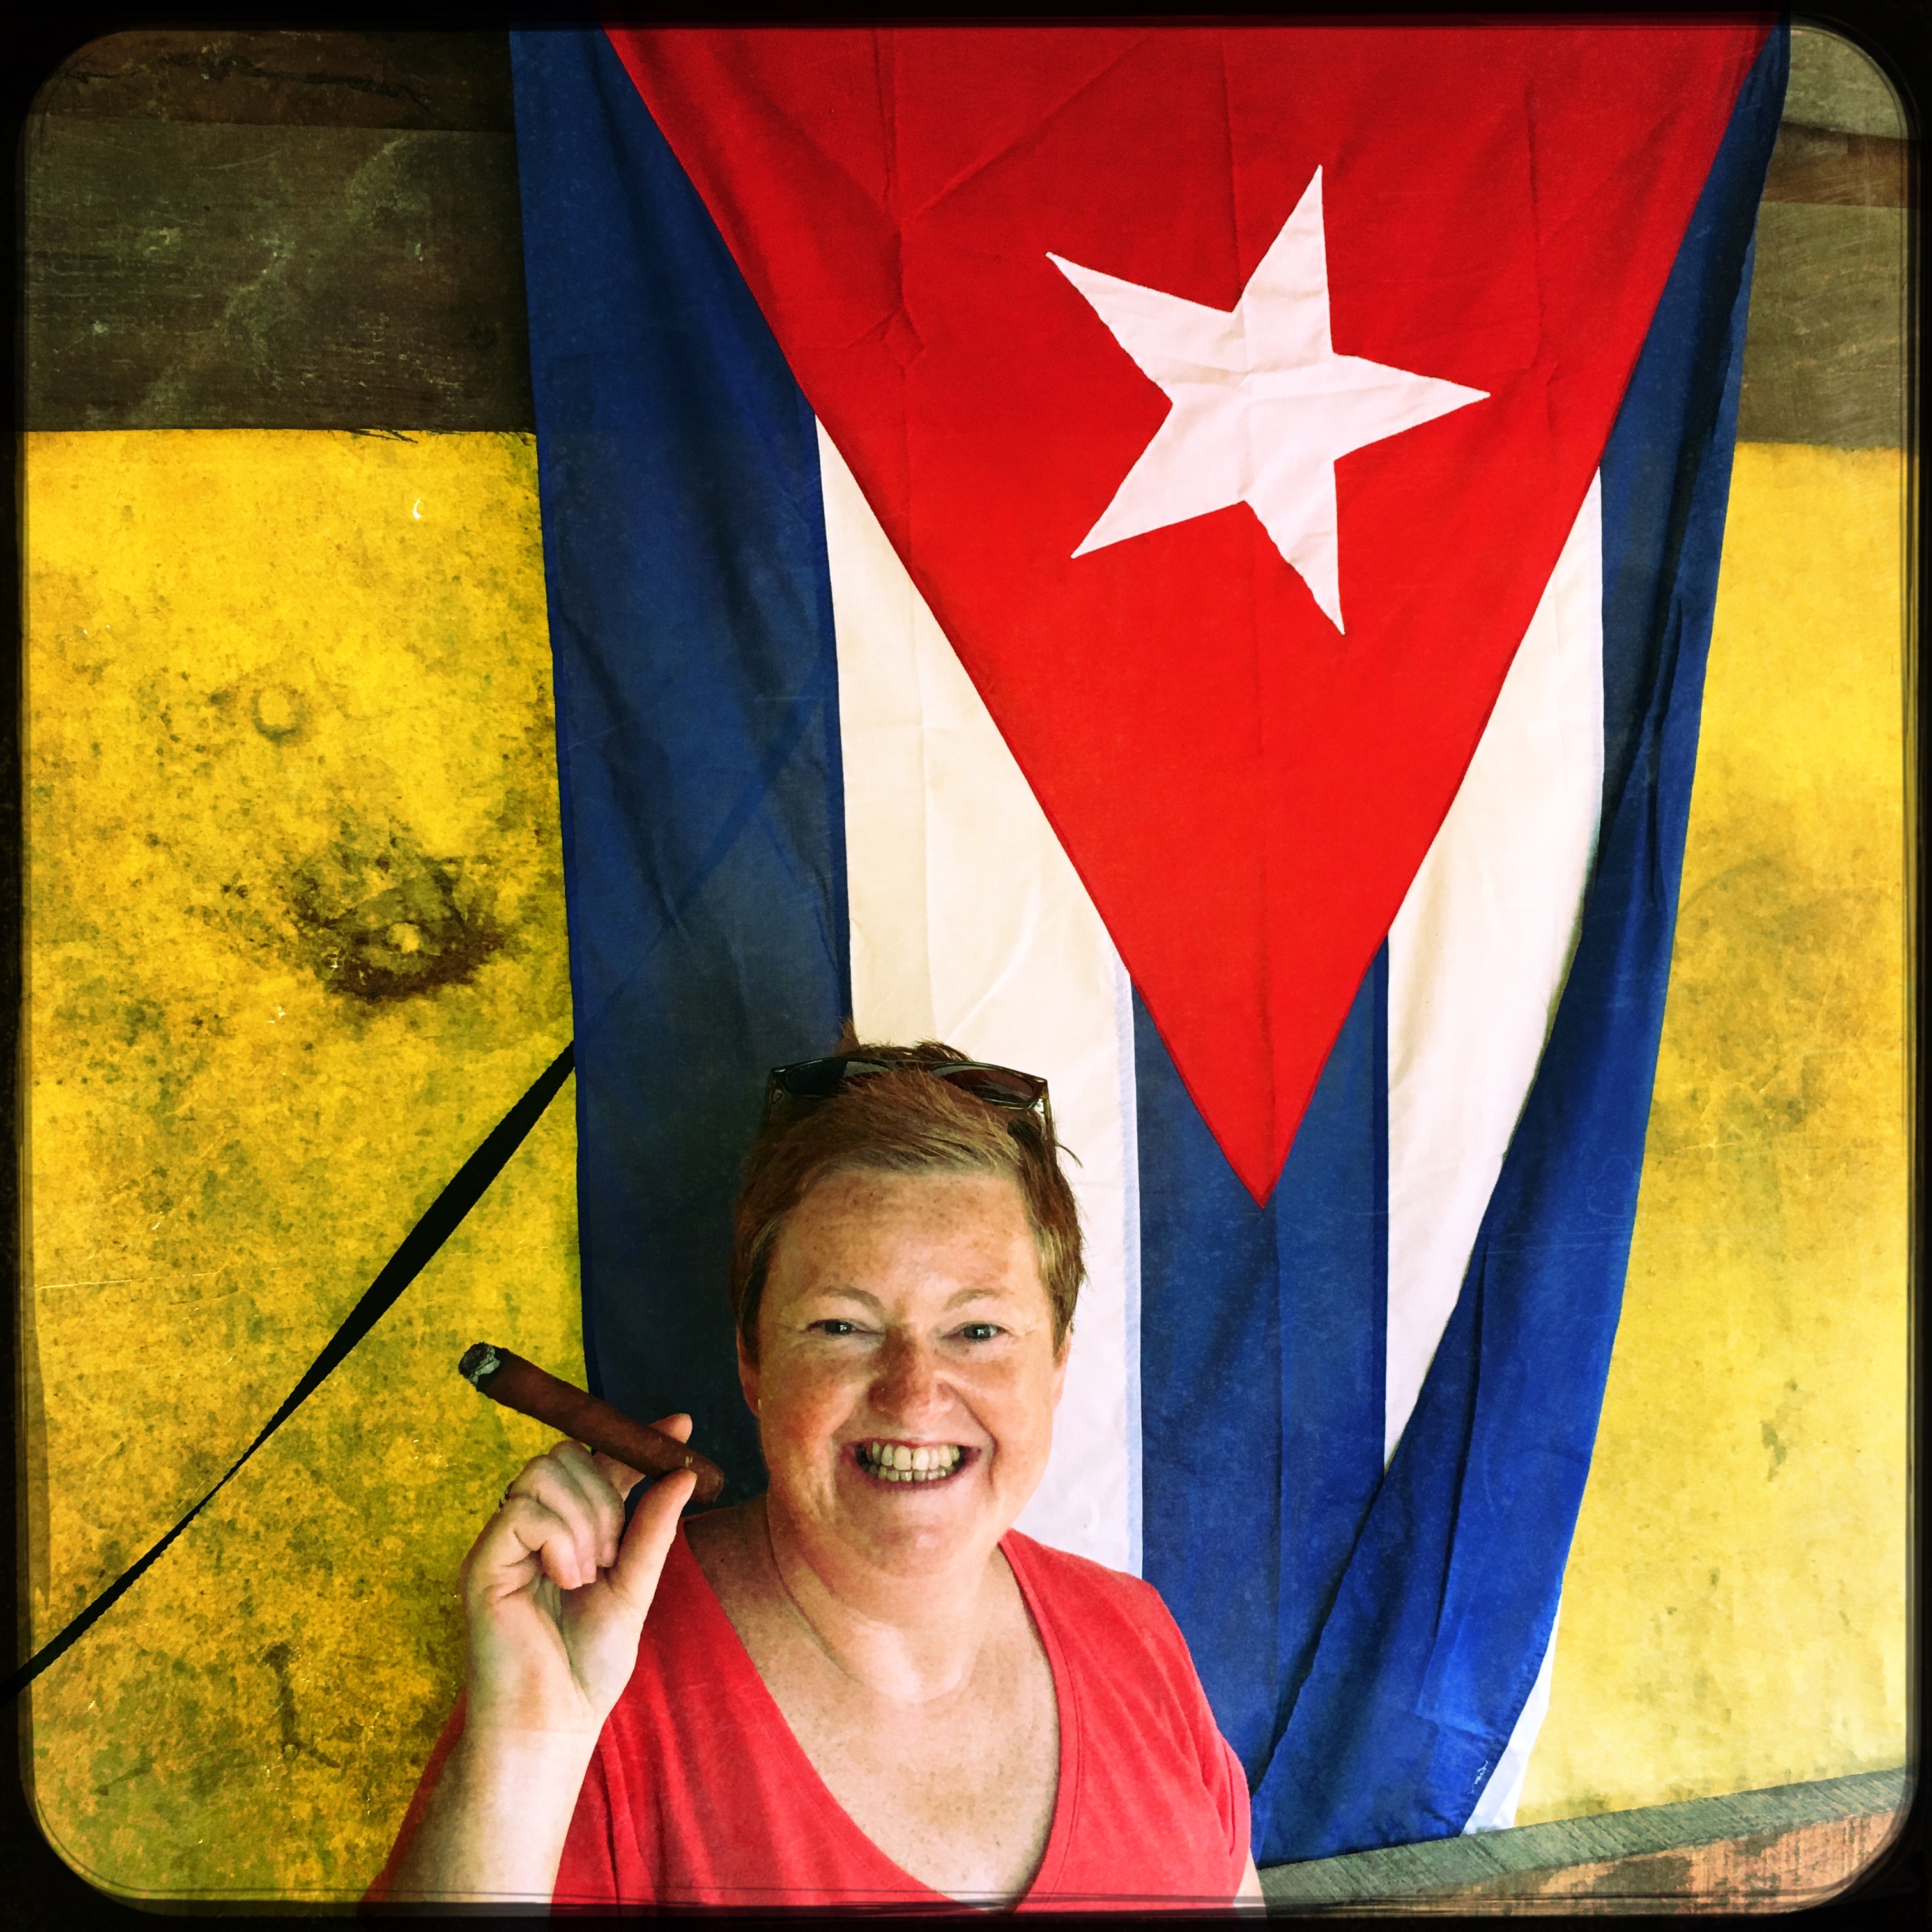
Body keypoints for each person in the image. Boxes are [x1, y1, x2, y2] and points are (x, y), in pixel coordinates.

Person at [369, 1039, 1264, 1912]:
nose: (914, 1397)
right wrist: (528, 1743)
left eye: (978, 1331)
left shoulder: (1136, 1636)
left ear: (1059, 1364)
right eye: (843, 1327)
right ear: (754, 1365)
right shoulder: (594, 1677)